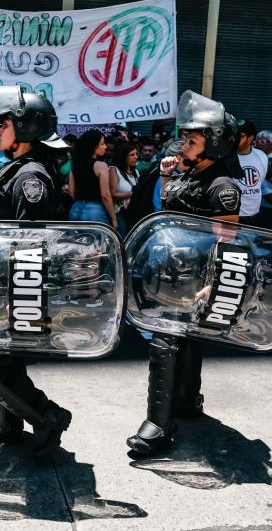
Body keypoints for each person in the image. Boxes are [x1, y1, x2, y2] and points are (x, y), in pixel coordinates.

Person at [127, 90, 242, 456]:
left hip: (195, 278)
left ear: (215, 144)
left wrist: (213, 284)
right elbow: (169, 214)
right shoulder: (190, 171)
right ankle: (187, 401)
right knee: (186, 341)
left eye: (193, 139)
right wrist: (165, 177)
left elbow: (227, 241)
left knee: (165, 342)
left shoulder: (222, 187)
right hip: (171, 274)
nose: (185, 143)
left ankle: (158, 426)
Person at [0, 87, 72, 457]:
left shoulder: (32, 177)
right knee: (4, 359)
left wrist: (13, 297)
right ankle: (7, 424)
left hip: (17, 285)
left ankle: (47, 416)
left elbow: (29, 244)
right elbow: (3, 226)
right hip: (3, 279)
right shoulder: (18, 167)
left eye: (4, 121)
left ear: (25, 128)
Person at [68, 130, 118, 231]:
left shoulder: (75, 164)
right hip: (95, 212)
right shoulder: (101, 165)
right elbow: (105, 195)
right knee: (99, 245)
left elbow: (71, 191)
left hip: (75, 209)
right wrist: (114, 219)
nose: (105, 147)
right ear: (93, 146)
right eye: (102, 144)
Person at [235, 121, 268, 226]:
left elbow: (264, 179)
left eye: (240, 136)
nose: (235, 139)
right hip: (231, 215)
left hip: (254, 215)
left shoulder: (261, 156)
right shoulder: (225, 157)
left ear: (250, 138)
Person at [109, 142, 138, 237]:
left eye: (136, 154)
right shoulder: (114, 170)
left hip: (133, 212)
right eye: (132, 155)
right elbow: (112, 194)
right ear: (123, 156)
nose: (136, 157)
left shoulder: (136, 171)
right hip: (120, 213)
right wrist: (133, 194)